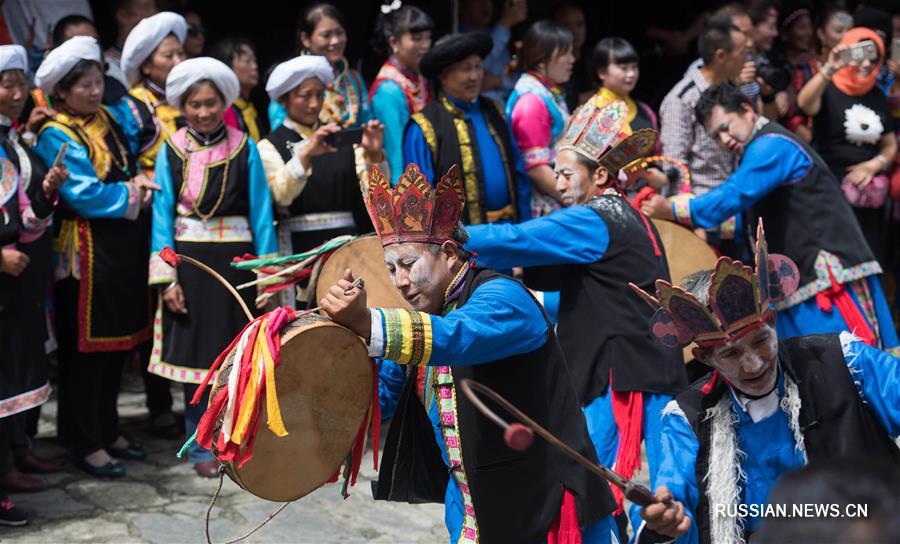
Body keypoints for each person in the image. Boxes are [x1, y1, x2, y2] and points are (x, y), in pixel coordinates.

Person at [320, 162, 618, 543]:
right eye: (391, 269)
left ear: (448, 251)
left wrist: (368, 321)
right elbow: (377, 402)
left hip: (552, 508)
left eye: (409, 264)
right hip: (471, 508)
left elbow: (454, 337)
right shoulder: (420, 322)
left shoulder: (504, 299)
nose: (401, 282)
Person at [463, 100, 688, 536]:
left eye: (566, 174)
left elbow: (517, 239)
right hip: (652, 366)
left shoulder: (595, 217)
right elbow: (602, 296)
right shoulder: (631, 216)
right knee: (670, 492)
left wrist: (449, 235)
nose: (558, 184)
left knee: (589, 481)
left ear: (599, 175)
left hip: (618, 376)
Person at [631, 222, 900, 543]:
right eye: (731, 354)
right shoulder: (688, 418)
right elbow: (674, 504)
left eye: (760, 341)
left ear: (772, 323)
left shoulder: (840, 360)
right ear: (706, 358)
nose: (754, 363)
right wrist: (667, 523)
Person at [643, 83, 899, 352]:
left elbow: (734, 195)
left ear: (746, 110)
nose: (724, 139)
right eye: (716, 137)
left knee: (847, 363)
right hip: (800, 284)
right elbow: (748, 220)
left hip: (826, 280)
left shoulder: (772, 145)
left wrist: (674, 210)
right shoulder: (762, 149)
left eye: (725, 127)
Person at [33, 36, 159, 478]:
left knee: (117, 345)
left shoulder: (107, 117)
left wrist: (139, 182)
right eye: (81, 85)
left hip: (120, 248)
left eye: (95, 81)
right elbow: (82, 193)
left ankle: (108, 429)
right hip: (85, 251)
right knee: (85, 350)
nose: (92, 91)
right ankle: (84, 439)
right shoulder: (56, 134)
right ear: (61, 92)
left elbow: (130, 160)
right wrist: (133, 194)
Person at [147, 57, 277, 478]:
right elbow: (162, 215)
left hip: (236, 264)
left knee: (236, 356)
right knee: (197, 359)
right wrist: (167, 278)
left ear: (225, 102)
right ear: (182, 106)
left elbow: (261, 214)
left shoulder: (245, 146)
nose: (202, 112)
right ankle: (201, 444)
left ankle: (236, 439)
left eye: (210, 103)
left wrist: (268, 275)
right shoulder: (171, 149)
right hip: (191, 263)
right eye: (193, 104)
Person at [258, 55, 385, 306]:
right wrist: (305, 154)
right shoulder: (269, 145)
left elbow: (373, 193)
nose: (314, 103)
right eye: (304, 96)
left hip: (345, 247)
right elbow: (280, 195)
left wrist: (374, 154)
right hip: (298, 252)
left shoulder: (342, 139)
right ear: (284, 100)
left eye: (319, 94)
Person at [0, 45, 66, 514]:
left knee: (14, 369)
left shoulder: (13, 141)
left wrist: (44, 196)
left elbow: (23, 216)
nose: (18, 92)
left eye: (22, 83)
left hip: (19, 280)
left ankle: (11, 458)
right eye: (8, 83)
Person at [403, 32, 530, 225]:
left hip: (511, 231)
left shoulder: (494, 111)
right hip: (461, 246)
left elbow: (519, 172)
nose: (474, 76)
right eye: (465, 69)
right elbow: (419, 198)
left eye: (478, 67)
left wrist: (525, 226)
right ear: (444, 76)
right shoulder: (424, 126)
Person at [798, 28, 896, 268]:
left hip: (867, 195)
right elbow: (805, 104)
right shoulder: (829, 88)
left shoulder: (876, 95)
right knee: (838, 259)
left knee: (870, 257)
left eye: (873, 59)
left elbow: (890, 144)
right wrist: (829, 68)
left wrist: (875, 165)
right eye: (859, 55)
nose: (865, 64)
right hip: (830, 189)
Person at [659, 18, 746, 256]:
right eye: (742, 52)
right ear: (721, 56)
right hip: (703, 221)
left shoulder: (733, 91)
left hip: (735, 214)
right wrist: (691, 223)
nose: (747, 59)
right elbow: (674, 164)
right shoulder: (681, 99)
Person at [506, 20, 574, 218]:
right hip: (546, 209)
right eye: (565, 53)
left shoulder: (548, 92)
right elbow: (536, 169)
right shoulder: (531, 101)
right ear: (542, 59)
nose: (572, 59)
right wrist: (578, 200)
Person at [268, 2, 372, 131]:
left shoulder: (353, 78)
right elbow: (281, 136)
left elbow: (367, 122)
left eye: (339, 33)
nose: (335, 41)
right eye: (326, 35)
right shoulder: (291, 81)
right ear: (306, 39)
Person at [369, 3, 433, 185]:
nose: (425, 45)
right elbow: (395, 151)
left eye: (428, 38)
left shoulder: (418, 77)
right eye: (416, 38)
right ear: (394, 42)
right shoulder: (389, 90)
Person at [120, 11, 188, 177]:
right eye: (168, 56)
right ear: (146, 66)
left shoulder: (191, 96)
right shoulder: (131, 106)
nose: (178, 61)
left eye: (180, 53)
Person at [458, 0, 528, 104]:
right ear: (462, 6)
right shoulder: (458, 36)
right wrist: (505, 23)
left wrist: (499, 81)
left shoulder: (495, 33)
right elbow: (480, 63)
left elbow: (514, 77)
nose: (485, 4)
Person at [211, 38, 263, 141]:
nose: (255, 66)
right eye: (247, 61)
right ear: (227, 67)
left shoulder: (248, 108)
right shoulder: (226, 111)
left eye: (254, 61)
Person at [104, 0, 158, 88]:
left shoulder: (160, 59)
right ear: (123, 16)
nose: (153, 13)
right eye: (146, 7)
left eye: (155, 7)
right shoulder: (107, 66)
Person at [553, 2, 590, 110]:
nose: (575, 31)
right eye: (566, 26)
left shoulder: (594, 58)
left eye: (580, 25)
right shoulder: (551, 67)